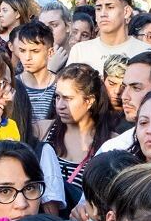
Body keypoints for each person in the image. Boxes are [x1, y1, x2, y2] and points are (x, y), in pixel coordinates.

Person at [44, 64, 109, 208]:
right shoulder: (43, 130)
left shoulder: (110, 142)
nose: (60, 105)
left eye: (67, 98)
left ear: (89, 101)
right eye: (57, 97)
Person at [68, 0, 151, 79]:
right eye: (98, 8)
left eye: (110, 7)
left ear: (126, 12)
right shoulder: (80, 51)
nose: (103, 14)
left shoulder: (145, 52)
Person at [12, 20, 57, 129]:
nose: (27, 57)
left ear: (50, 53)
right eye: (22, 51)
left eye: (35, 51)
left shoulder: (60, 86)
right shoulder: (11, 86)